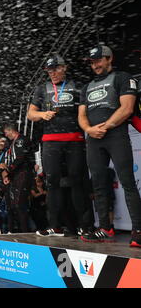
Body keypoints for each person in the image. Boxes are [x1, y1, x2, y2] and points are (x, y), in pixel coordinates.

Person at [78, 45, 141, 247]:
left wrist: (105, 126)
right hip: (94, 139)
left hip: (116, 135)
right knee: (99, 185)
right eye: (92, 62)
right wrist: (89, 129)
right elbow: (81, 115)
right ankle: (105, 227)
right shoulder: (86, 87)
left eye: (98, 60)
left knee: (128, 183)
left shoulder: (122, 77)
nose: (95, 65)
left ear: (109, 59)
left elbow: (127, 107)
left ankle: (138, 230)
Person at [28, 54, 91, 237]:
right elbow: (30, 114)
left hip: (74, 140)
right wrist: (42, 115)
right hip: (50, 141)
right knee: (52, 183)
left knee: (77, 181)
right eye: (49, 70)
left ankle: (84, 225)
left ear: (65, 67)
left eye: (56, 68)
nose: (52, 73)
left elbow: (85, 112)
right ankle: (55, 225)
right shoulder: (42, 89)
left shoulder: (79, 86)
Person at [0, 124, 34, 233]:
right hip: (16, 175)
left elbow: (20, 158)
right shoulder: (13, 143)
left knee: (20, 204)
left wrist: (8, 170)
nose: (6, 135)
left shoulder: (20, 140)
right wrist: (7, 174)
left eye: (6, 133)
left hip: (23, 173)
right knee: (14, 205)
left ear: (10, 130)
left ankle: (25, 232)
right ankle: (20, 231)